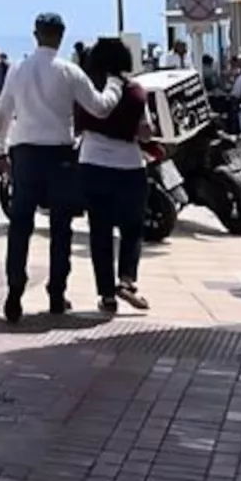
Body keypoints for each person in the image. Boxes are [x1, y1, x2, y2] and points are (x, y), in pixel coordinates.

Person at [0, 12, 123, 322]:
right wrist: (116, 85)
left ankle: (14, 289)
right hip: (60, 156)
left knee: (20, 224)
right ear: (61, 36)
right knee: (61, 227)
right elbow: (100, 108)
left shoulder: (18, 69)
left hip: (24, 152)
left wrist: (0, 149)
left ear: (36, 34)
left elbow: (3, 111)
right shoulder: (70, 71)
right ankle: (56, 293)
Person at [75, 37, 153, 316]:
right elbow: (145, 131)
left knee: (100, 231)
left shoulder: (87, 90)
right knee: (132, 228)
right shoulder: (135, 91)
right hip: (130, 166)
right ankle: (127, 281)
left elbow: (75, 126)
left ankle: (107, 295)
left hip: (93, 163)